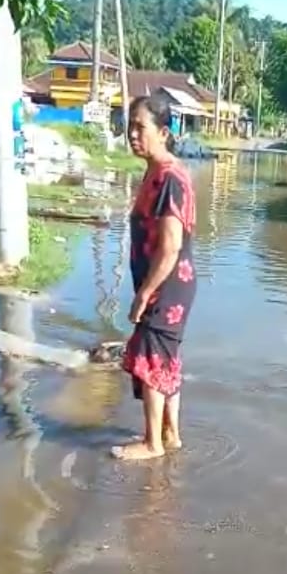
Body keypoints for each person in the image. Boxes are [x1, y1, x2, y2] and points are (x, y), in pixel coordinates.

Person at [111, 94, 197, 462]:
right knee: (165, 357)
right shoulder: (156, 172)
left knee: (150, 357)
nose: (131, 134)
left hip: (166, 285)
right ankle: (170, 434)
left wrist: (143, 294)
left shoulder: (169, 179)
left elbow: (170, 247)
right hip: (167, 284)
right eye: (129, 126)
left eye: (139, 127)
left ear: (163, 132)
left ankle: (152, 443)